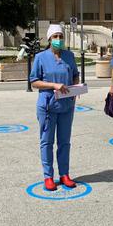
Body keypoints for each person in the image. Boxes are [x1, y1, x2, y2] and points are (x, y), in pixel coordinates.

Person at [30, 24, 80, 191]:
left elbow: (75, 74)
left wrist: (75, 87)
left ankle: (64, 174)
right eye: (55, 37)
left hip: (66, 105)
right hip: (48, 106)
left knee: (65, 142)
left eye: (61, 36)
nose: (58, 39)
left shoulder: (69, 56)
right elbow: (34, 81)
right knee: (47, 142)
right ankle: (48, 176)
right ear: (49, 39)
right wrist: (53, 85)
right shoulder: (40, 57)